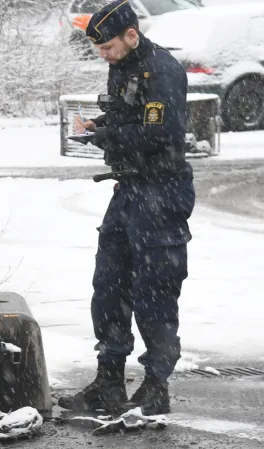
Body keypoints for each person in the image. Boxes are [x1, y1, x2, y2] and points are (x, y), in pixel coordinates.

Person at [57, 0, 195, 415]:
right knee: (109, 284)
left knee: (155, 290)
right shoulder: (123, 64)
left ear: (131, 35)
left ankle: (155, 385)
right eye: (99, 49)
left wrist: (106, 137)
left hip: (162, 190)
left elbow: (158, 133)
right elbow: (126, 115)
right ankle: (109, 381)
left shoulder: (163, 71)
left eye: (108, 47)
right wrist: (100, 125)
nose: (103, 55)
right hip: (129, 188)